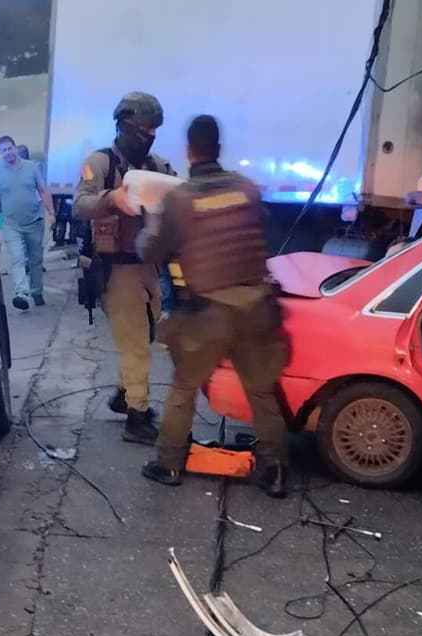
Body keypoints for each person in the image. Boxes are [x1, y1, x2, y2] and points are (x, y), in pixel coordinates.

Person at [136, 115, 288, 497]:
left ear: (190, 152)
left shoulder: (181, 200)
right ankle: (275, 472)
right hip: (257, 307)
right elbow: (263, 233)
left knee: (185, 385)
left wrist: (151, 221)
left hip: (209, 314)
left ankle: (168, 465)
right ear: (218, 149)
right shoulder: (247, 189)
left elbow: (152, 250)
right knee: (262, 391)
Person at [73, 92, 175, 445]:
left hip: (147, 265)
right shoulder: (100, 163)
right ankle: (137, 415)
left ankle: (123, 394)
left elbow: (178, 196)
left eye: (152, 130)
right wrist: (112, 199)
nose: (147, 135)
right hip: (115, 268)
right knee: (136, 345)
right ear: (123, 125)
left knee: (146, 333)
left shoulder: (157, 166)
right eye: (141, 128)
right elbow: (81, 204)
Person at [0, 135, 56, 310]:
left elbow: (42, 190)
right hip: (11, 224)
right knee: (17, 259)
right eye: (4, 150)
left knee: (35, 259)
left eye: (10, 148)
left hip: (34, 220)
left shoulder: (31, 167)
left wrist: (51, 213)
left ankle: (36, 290)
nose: (8, 152)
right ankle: (21, 293)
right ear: (0, 153)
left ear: (15, 148)